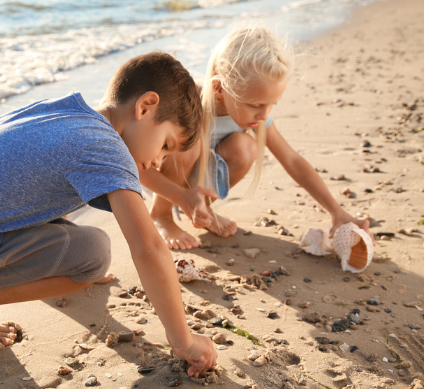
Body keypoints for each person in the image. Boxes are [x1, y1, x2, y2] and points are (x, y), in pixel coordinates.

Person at [0, 52, 217, 377]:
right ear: (145, 106)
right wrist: (183, 340)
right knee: (94, 254)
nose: (159, 163)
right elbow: (148, 248)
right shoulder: (106, 147)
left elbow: (29, 183)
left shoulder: (70, 112)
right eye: (166, 145)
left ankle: (9, 277)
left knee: (74, 238)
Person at [140, 27, 373, 250]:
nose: (264, 115)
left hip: (195, 180)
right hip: (162, 179)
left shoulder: (257, 116)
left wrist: (336, 211)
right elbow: (139, 168)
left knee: (246, 147)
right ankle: (161, 215)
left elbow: (292, 160)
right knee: (191, 143)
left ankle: (205, 208)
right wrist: (180, 196)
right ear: (219, 88)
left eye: (272, 105)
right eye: (255, 105)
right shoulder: (186, 106)